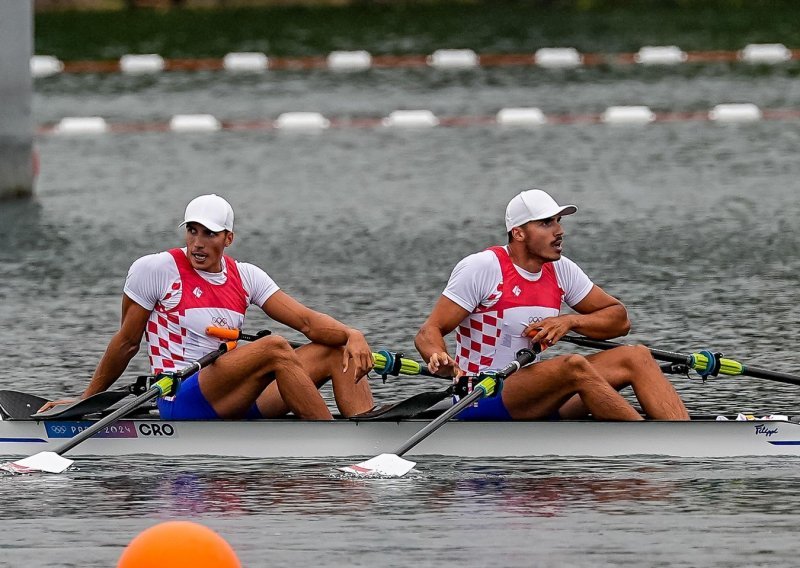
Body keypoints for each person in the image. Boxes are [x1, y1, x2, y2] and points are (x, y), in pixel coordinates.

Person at [39, 194, 374, 420]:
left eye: (210, 234)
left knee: (334, 348)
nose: (198, 242)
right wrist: (87, 400)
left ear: (228, 238)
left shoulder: (246, 276)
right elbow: (127, 342)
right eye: (192, 231)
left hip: (233, 393)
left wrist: (351, 334)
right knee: (273, 346)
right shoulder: (156, 269)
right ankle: (332, 444)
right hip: (181, 396)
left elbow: (307, 322)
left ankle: (366, 434)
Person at [415, 188, 689, 421]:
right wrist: (438, 356)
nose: (559, 231)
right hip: (479, 395)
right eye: (546, 223)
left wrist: (570, 321)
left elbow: (619, 319)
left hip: (534, 392)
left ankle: (684, 438)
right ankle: (650, 441)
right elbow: (429, 332)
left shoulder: (560, 270)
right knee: (572, 365)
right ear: (519, 233)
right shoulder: (483, 267)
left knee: (636, 356)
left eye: (558, 221)